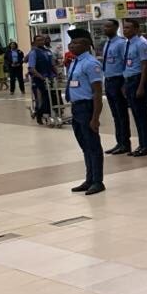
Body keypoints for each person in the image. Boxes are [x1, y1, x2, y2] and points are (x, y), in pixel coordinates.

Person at [65, 31, 106, 195]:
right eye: (71, 43)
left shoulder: (91, 63)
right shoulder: (75, 62)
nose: (71, 46)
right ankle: (89, 179)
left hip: (87, 107)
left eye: (75, 43)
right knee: (85, 146)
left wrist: (95, 118)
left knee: (93, 146)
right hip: (76, 107)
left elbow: (97, 92)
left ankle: (98, 181)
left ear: (86, 45)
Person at [122, 19, 147, 156]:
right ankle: (141, 144)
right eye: (124, 28)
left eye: (128, 27)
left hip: (137, 80)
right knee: (135, 114)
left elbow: (145, 65)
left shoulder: (141, 43)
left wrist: (141, 86)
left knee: (141, 115)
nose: (125, 30)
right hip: (129, 80)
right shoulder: (127, 44)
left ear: (136, 29)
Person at [100, 20, 131, 155]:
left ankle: (125, 143)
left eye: (108, 26)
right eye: (104, 26)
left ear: (115, 28)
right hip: (108, 79)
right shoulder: (107, 43)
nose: (105, 28)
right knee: (115, 115)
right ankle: (119, 142)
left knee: (121, 113)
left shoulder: (121, 43)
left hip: (118, 79)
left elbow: (125, 62)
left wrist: (124, 82)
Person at [27, 35, 57, 122]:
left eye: (42, 40)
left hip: (50, 78)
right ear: (35, 42)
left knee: (51, 97)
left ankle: (48, 114)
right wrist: (41, 77)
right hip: (39, 79)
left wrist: (57, 74)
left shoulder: (48, 51)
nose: (41, 42)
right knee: (41, 99)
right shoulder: (33, 53)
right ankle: (39, 115)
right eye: (38, 40)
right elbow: (32, 68)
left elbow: (52, 64)